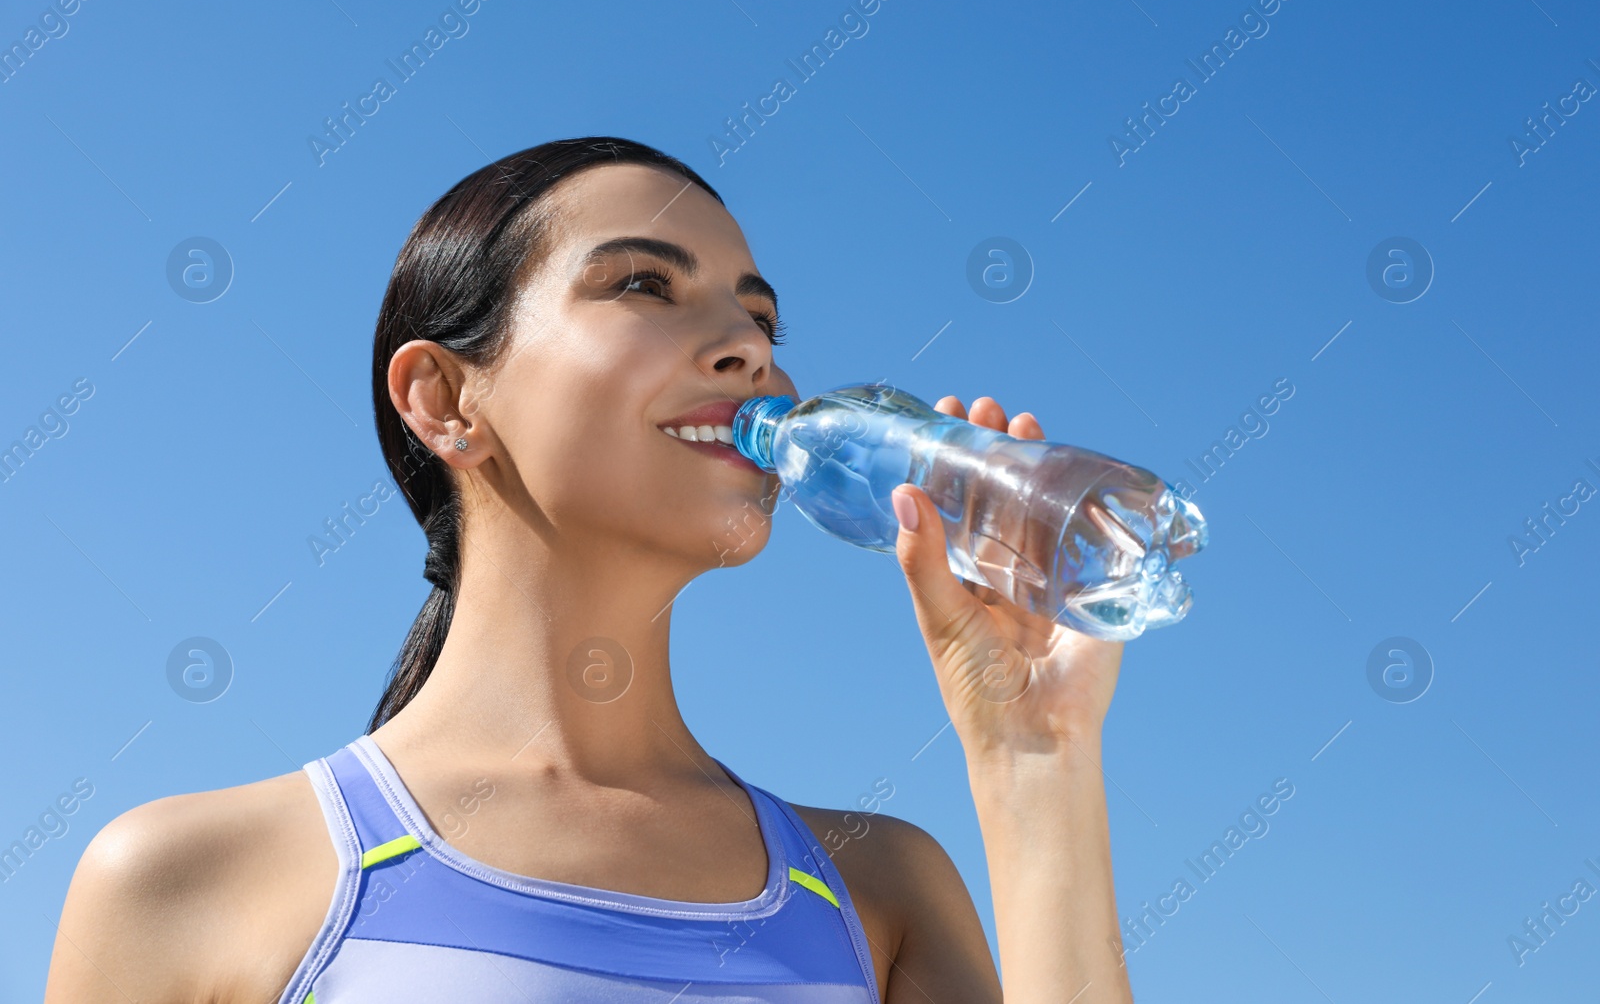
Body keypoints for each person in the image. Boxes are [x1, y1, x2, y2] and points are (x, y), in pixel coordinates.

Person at [44, 137, 1132, 1003]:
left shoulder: (876, 888)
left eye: (759, 317)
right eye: (646, 285)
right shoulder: (185, 877)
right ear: (442, 399)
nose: (749, 350)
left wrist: (1033, 756)